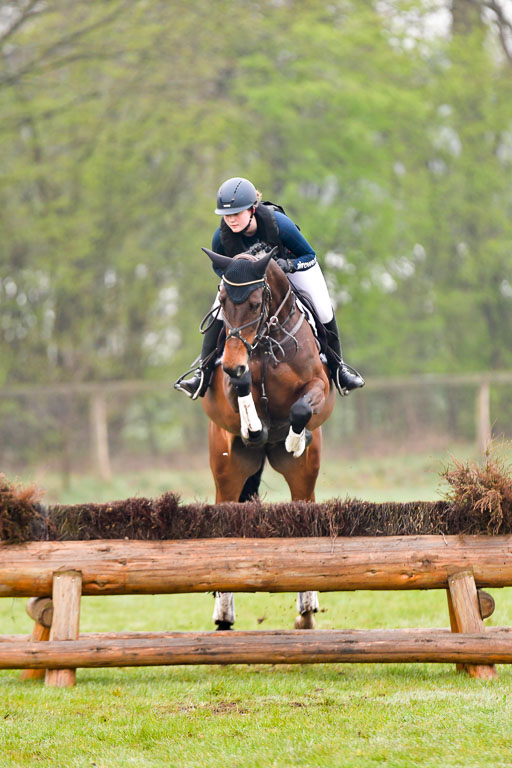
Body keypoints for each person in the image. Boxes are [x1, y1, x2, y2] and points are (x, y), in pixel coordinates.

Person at [175, 177, 364, 399]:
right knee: (219, 309)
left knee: (322, 308)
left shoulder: (280, 224)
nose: (231, 220)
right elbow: (218, 266)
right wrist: (236, 282)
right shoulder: (221, 237)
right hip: (247, 283)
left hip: (294, 270)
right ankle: (202, 374)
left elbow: (309, 255)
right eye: (227, 215)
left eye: (237, 213)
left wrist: (289, 265)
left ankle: (338, 368)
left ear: (253, 209)